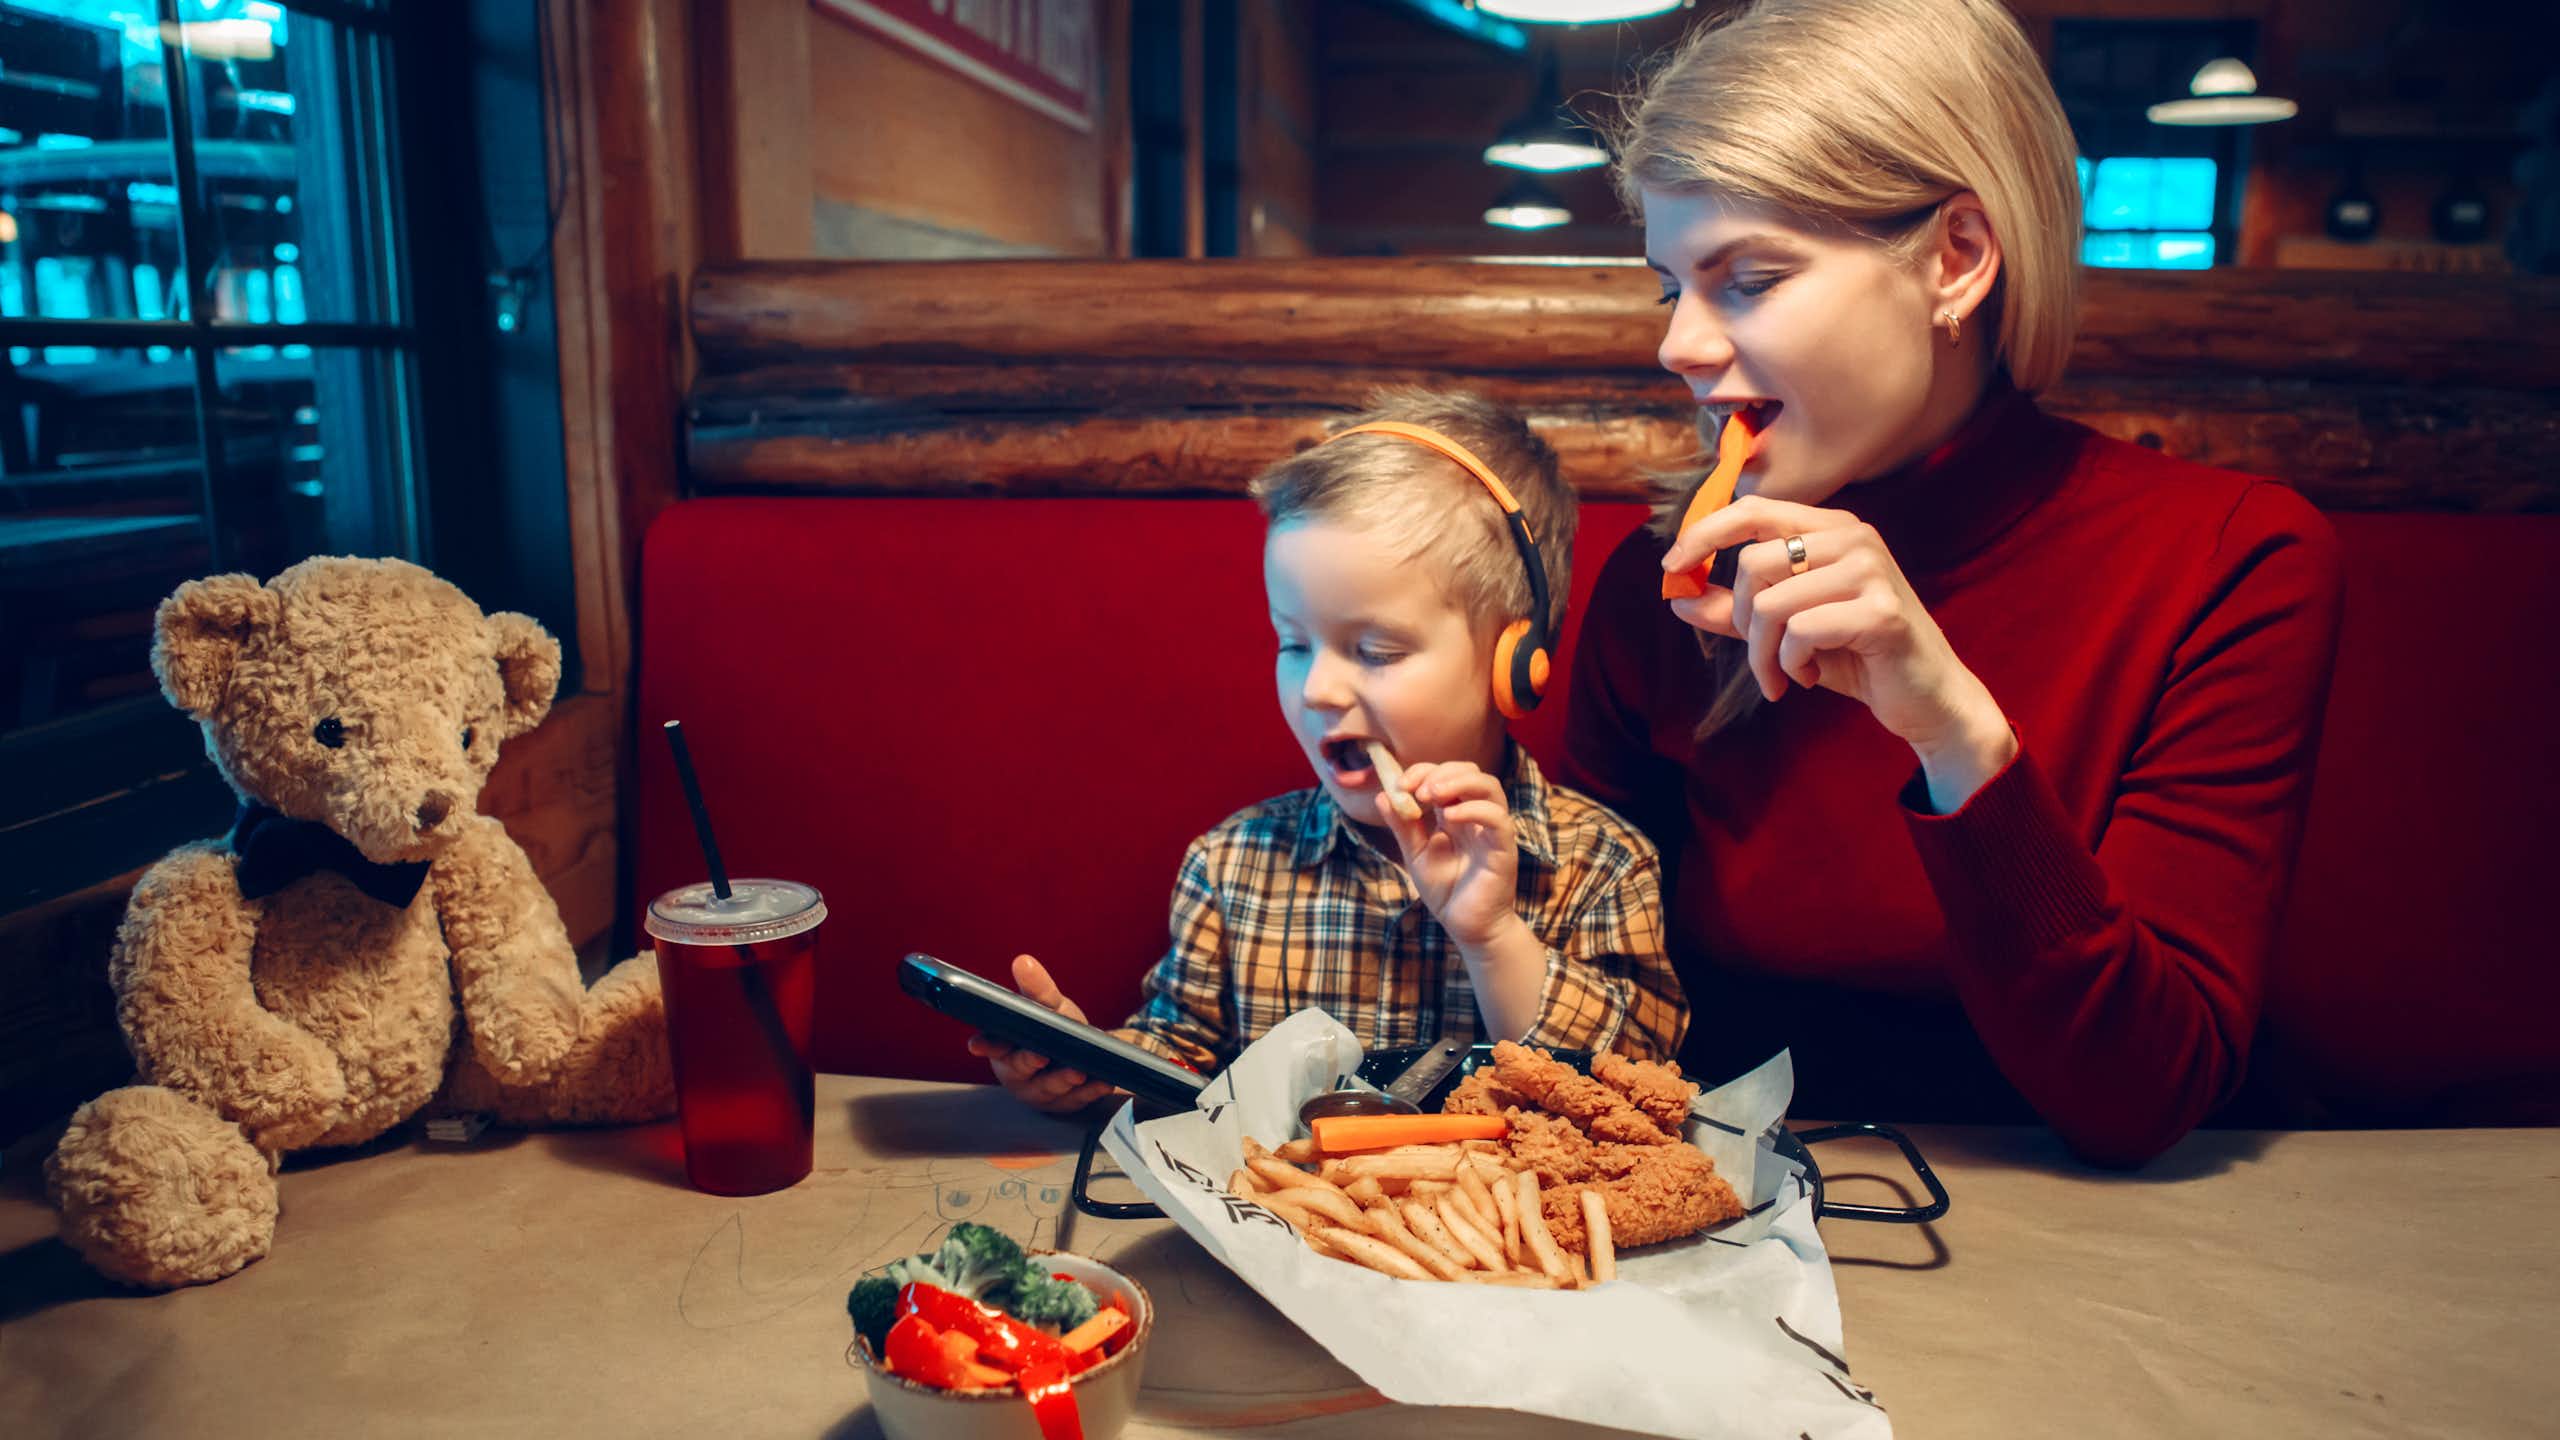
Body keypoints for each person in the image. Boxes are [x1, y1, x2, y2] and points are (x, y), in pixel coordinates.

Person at [1563, 0, 2344, 1165]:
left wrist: (1951, 731)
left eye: (1748, 278)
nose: (1678, 343)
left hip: (2107, 1261)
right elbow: (1591, 1017)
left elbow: (2140, 1096)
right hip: (1725, 1249)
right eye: (1670, 285)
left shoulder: (2233, 561)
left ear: (1956, 259)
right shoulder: (1667, 584)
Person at [971, 390, 1688, 1113]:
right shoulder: (1230, 867)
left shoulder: (1602, 866)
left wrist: (1494, 938)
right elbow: (1181, 1062)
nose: (1316, 687)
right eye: (1294, 643)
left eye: (1374, 650)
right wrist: (1086, 1066)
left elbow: (1635, 1099)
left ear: (1516, 663)